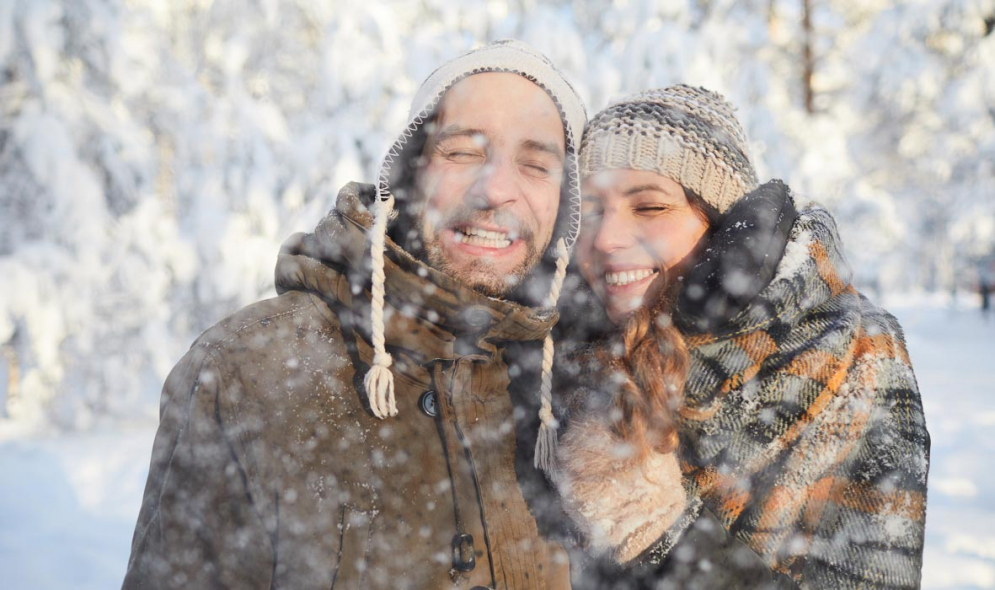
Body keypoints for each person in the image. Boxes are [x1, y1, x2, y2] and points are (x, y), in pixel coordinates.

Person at [122, 40, 587, 590]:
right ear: (408, 175)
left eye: (536, 164)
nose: (497, 190)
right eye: (462, 152)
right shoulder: (253, 370)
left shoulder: (572, 387)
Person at [550, 85, 930, 588]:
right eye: (591, 211)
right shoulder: (562, 357)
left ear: (722, 226)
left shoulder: (852, 351)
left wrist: (661, 536)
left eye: (649, 207)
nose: (604, 240)